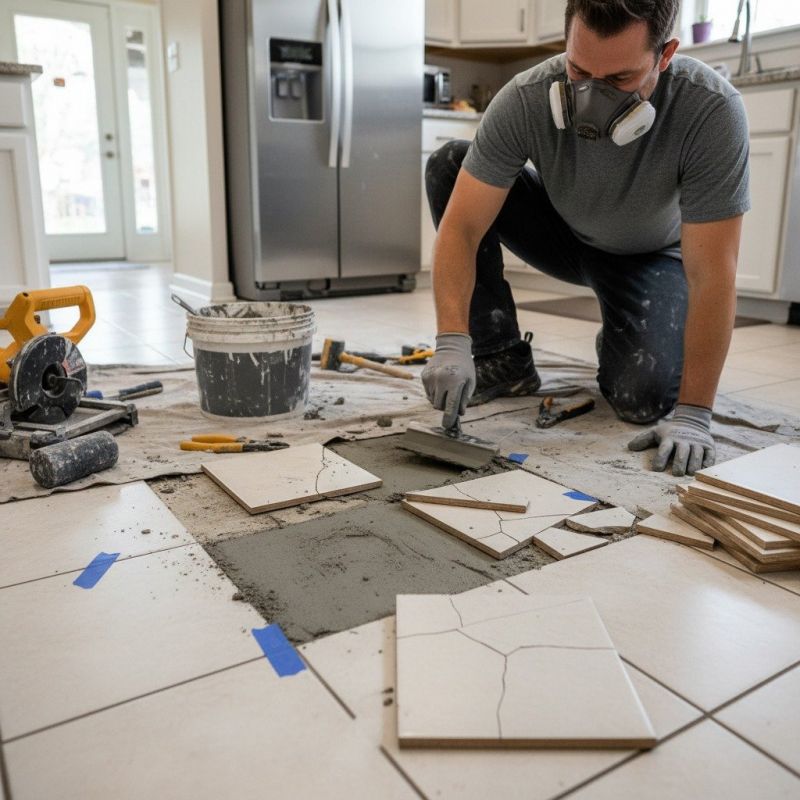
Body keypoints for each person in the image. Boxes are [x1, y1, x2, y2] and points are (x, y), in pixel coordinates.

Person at [420, 0, 750, 477]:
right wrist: (452, 341)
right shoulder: (527, 97)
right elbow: (462, 228)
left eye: (618, 80)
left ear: (665, 54)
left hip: (651, 256)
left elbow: (713, 274)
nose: (590, 96)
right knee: (451, 163)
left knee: (642, 398)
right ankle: (502, 358)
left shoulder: (710, 110)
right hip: (564, 233)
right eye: (578, 69)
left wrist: (695, 414)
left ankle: (625, 331)